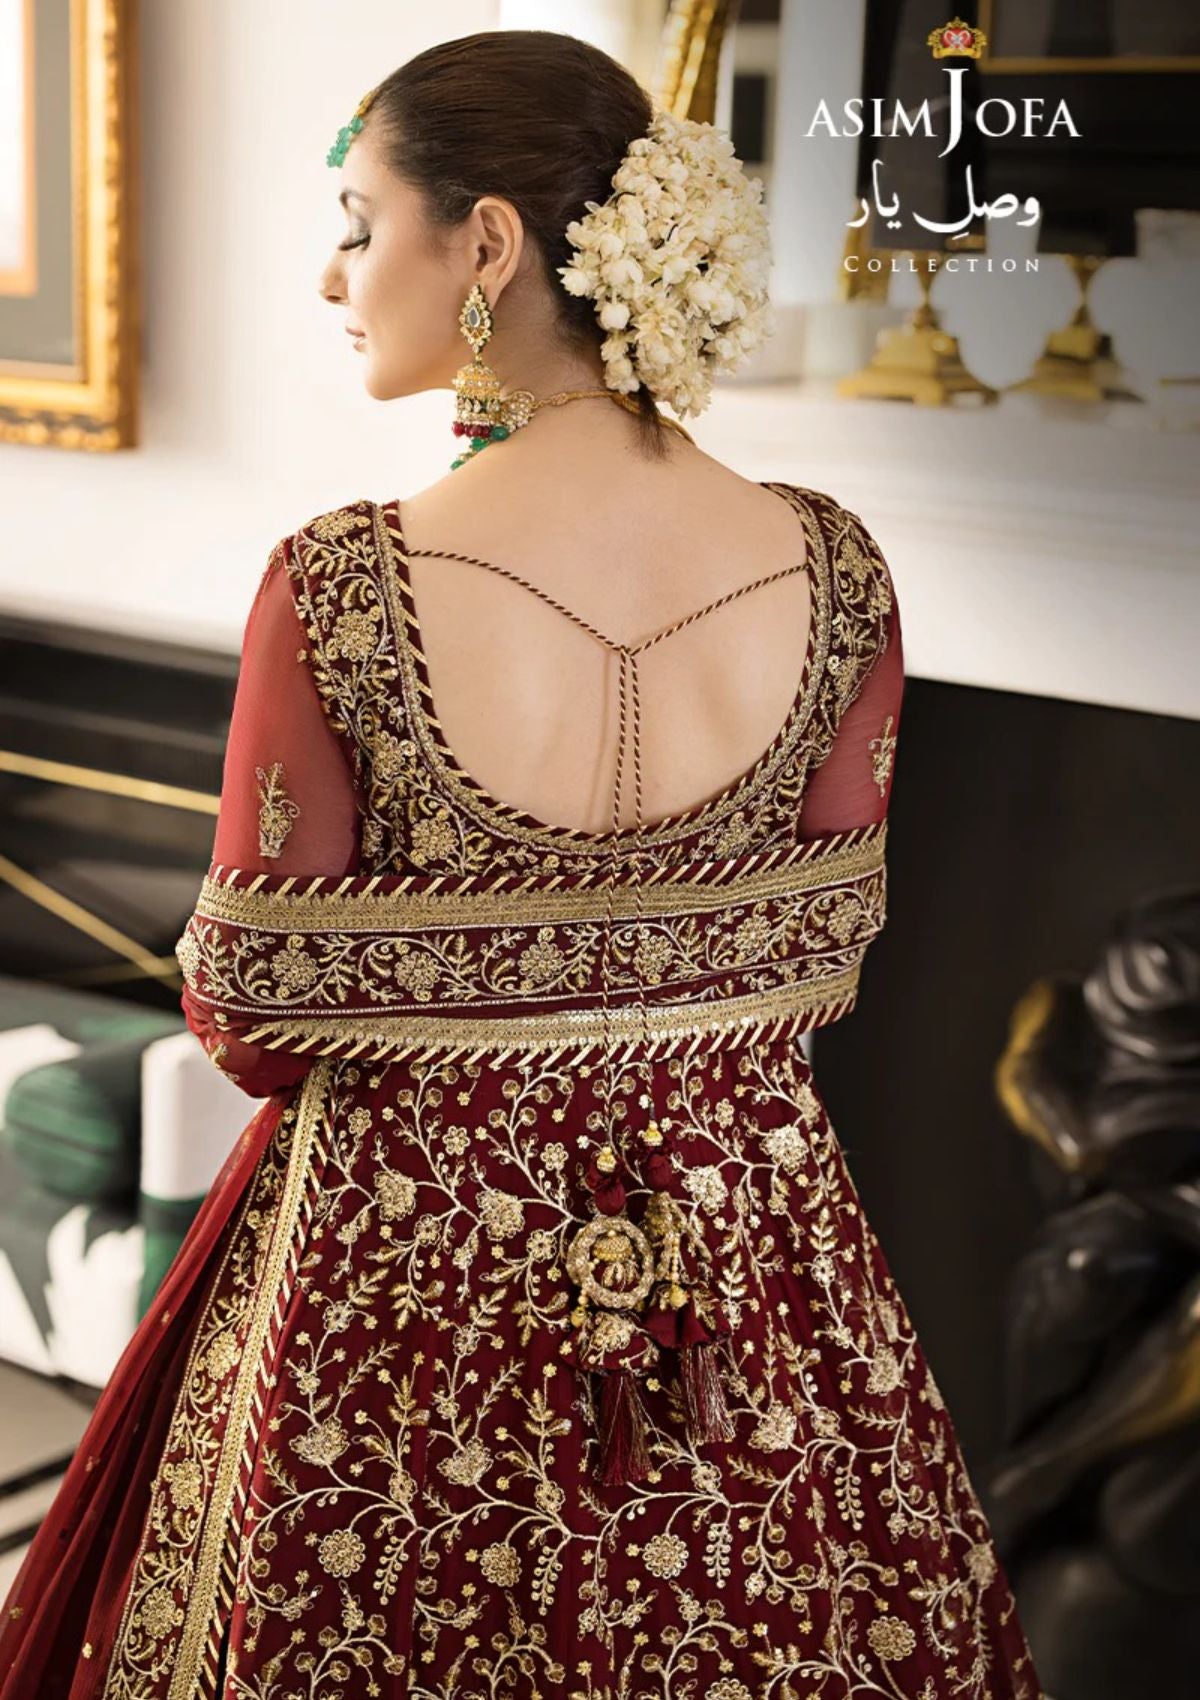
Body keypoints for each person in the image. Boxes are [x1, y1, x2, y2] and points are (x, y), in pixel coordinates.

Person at [0, 28, 1045, 1699]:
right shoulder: (837, 569)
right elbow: (825, 954)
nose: (332, 275)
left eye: (358, 223)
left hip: (409, 1266)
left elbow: (248, 1011)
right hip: (741, 1248)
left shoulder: (344, 588)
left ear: (485, 244)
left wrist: (452, 1000)